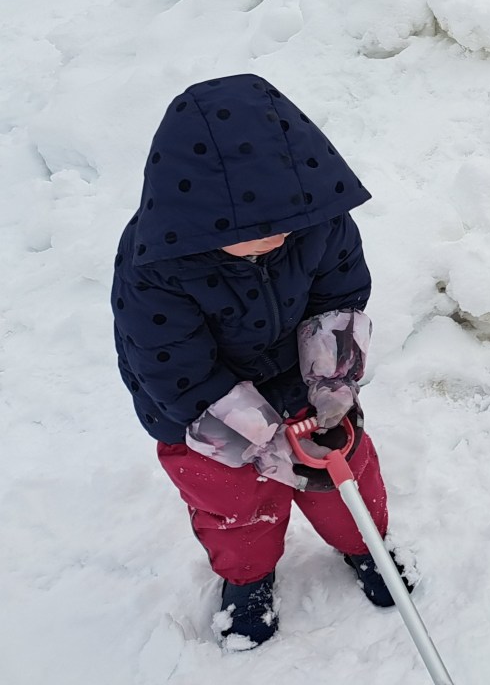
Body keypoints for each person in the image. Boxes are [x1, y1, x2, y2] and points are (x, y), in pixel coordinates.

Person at [112, 73, 404, 648]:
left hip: (299, 386)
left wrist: (331, 383)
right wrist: (264, 443)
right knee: (234, 503)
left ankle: (366, 543)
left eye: (282, 221)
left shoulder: (317, 221)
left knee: (343, 472)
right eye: (252, 231)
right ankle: (247, 577)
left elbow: (338, 298)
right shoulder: (155, 266)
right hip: (201, 412)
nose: (274, 237)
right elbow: (176, 369)